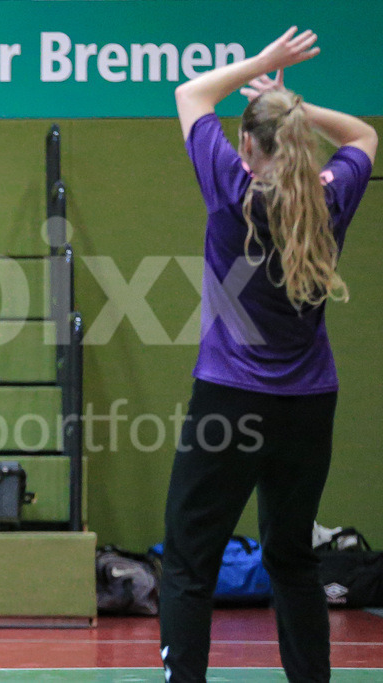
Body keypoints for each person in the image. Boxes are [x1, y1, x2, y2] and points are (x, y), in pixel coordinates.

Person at [160, 27, 376, 682]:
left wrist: (264, 65)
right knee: (292, 558)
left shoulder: (232, 189)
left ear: (246, 147)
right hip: (309, 406)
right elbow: (364, 137)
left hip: (229, 399)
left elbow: (191, 91)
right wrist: (298, 110)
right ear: (303, 145)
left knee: (190, 563)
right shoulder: (331, 196)